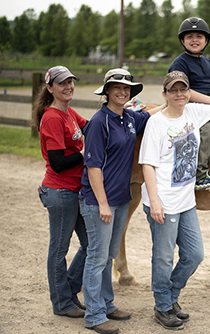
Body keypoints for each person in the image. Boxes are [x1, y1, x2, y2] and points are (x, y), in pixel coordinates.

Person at [139, 71, 210, 330]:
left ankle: (171, 296)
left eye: (183, 89)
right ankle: (163, 306)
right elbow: (147, 165)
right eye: (174, 90)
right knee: (164, 256)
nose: (179, 94)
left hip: (186, 200)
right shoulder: (156, 123)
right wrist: (154, 201)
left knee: (194, 255)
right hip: (163, 201)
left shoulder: (192, 111)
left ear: (188, 92)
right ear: (165, 94)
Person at [79, 68, 163, 334]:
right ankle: (93, 315)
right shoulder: (98, 122)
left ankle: (106, 303)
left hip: (121, 199)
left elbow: (152, 113)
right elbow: (92, 166)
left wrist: (176, 99)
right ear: (106, 91)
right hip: (99, 201)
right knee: (96, 256)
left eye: (127, 88)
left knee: (108, 256)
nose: (122, 91)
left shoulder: (129, 118)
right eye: (117, 87)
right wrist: (102, 203)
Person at [35, 65, 88, 318]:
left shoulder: (68, 112)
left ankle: (68, 291)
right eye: (61, 83)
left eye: (70, 82)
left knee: (91, 244)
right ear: (50, 88)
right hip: (60, 191)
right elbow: (57, 162)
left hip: (73, 190)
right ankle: (62, 303)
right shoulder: (53, 117)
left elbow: (90, 127)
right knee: (59, 249)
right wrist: (84, 154)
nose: (68, 86)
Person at [169, 17, 210, 191]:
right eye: (189, 36)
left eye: (199, 36)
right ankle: (200, 174)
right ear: (182, 41)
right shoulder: (180, 63)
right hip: (188, 105)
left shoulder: (208, 63)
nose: (194, 40)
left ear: (206, 40)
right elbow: (185, 92)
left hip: (208, 106)